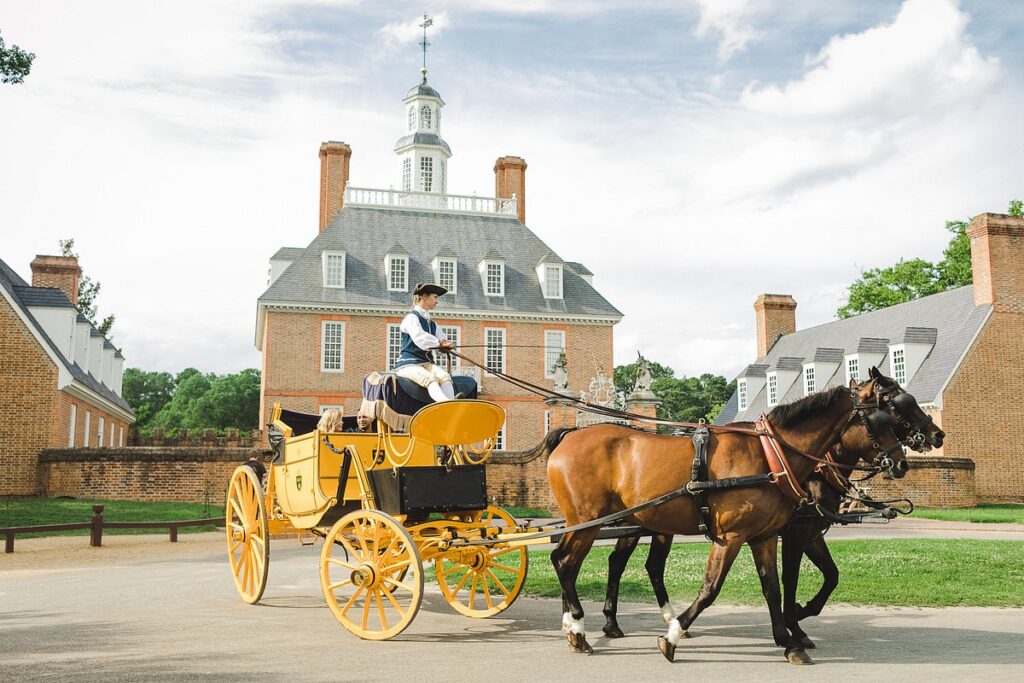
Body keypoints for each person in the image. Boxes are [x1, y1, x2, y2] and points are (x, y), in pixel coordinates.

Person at [394, 283, 458, 403]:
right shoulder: (411, 318)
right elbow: (420, 338)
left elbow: (441, 342)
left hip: (426, 363)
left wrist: (445, 346)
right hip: (408, 364)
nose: (437, 301)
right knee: (430, 378)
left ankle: (451, 402)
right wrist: (440, 343)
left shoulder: (433, 324)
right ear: (424, 296)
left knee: (445, 376)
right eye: (435, 297)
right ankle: (445, 404)